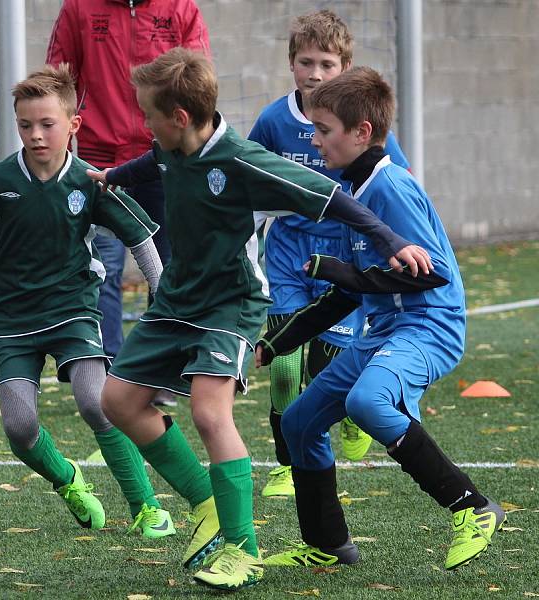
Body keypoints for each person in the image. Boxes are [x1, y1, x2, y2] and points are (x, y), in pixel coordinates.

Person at [87, 48, 431, 591]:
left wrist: (390, 240)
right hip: (178, 300)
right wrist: (112, 177)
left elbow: (331, 199)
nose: (144, 124)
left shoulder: (243, 161)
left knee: (208, 410)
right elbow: (153, 161)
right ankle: (206, 499)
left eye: (149, 114)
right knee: (118, 401)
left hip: (233, 301)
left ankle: (241, 550)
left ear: (179, 117)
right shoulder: (172, 145)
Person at [257, 66, 505, 571]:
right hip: (383, 331)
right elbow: (346, 294)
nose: (316, 140)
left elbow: (429, 275)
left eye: (324, 130)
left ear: (361, 132)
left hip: (428, 327)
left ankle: (473, 508)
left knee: (366, 401)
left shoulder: (390, 187)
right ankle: (328, 544)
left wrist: (339, 269)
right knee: (301, 422)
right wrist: (273, 345)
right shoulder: (354, 193)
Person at [0, 64, 176, 540]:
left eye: (47, 124)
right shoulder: (0, 178)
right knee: (20, 428)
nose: (36, 135)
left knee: (97, 402)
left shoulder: (91, 181)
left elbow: (140, 236)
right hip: (13, 316)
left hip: (73, 309)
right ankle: (68, 480)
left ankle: (146, 506)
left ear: (73, 125)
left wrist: (161, 289)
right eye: (26, 125)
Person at [248, 9, 411, 498]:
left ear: (345, 68)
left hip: (342, 253)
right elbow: (249, 175)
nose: (314, 74)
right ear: (290, 64)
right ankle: (285, 461)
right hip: (289, 250)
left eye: (326, 64)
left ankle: (349, 418)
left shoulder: (359, 125)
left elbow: (392, 178)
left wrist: (393, 242)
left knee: (326, 367)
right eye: (305, 62)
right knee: (281, 361)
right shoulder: (274, 120)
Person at [47, 0, 210, 407]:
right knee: (102, 265)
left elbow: (199, 79)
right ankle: (109, 371)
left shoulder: (180, 8)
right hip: (101, 161)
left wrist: (194, 148)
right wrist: (57, 147)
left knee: (170, 264)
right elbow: (58, 79)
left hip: (165, 155)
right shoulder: (79, 8)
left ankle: (161, 371)